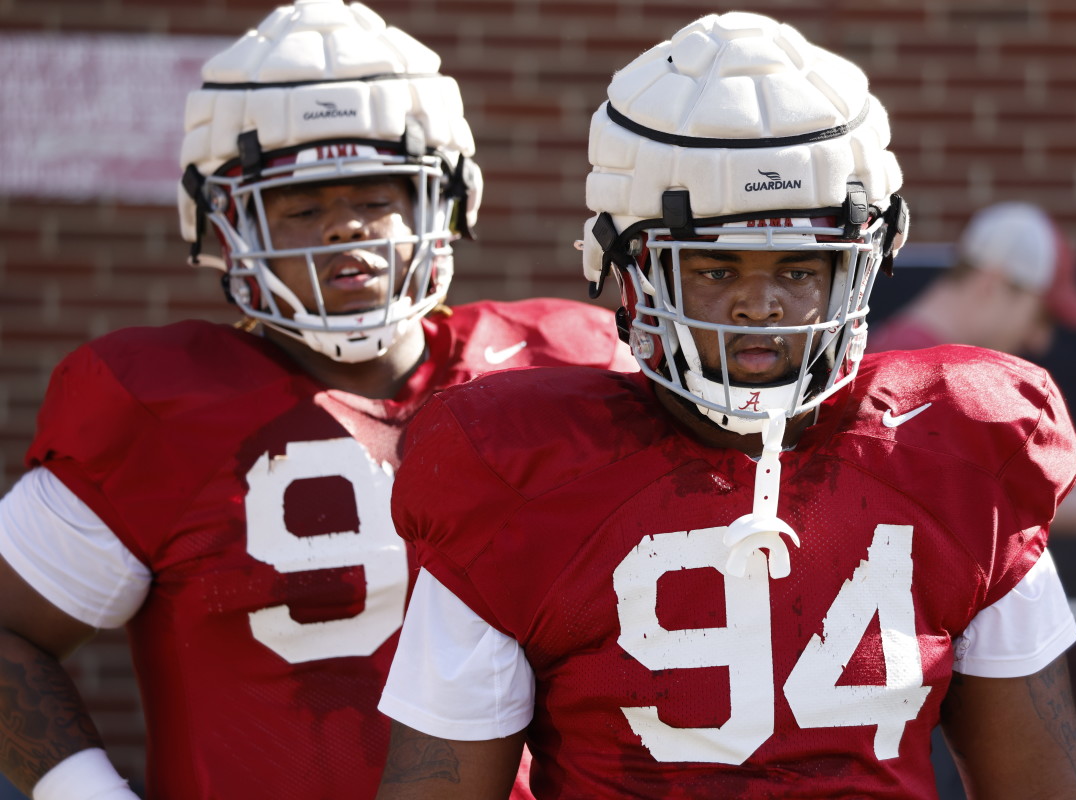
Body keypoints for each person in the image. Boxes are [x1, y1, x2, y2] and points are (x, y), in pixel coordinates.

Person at [375, 12, 1076, 800]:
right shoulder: (518, 474)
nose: (761, 305)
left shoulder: (958, 448)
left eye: (799, 269)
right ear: (632, 271)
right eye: (716, 271)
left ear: (863, 266)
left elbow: (1046, 786)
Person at [0, 1, 633, 798]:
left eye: (378, 198)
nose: (346, 232)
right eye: (300, 208)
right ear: (223, 226)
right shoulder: (161, 406)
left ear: (446, 201)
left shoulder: (565, 370)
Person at [868, 201, 1076, 538]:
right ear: (993, 284)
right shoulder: (919, 369)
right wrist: (1043, 507)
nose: (1039, 341)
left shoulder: (916, 360)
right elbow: (909, 517)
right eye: (1041, 316)